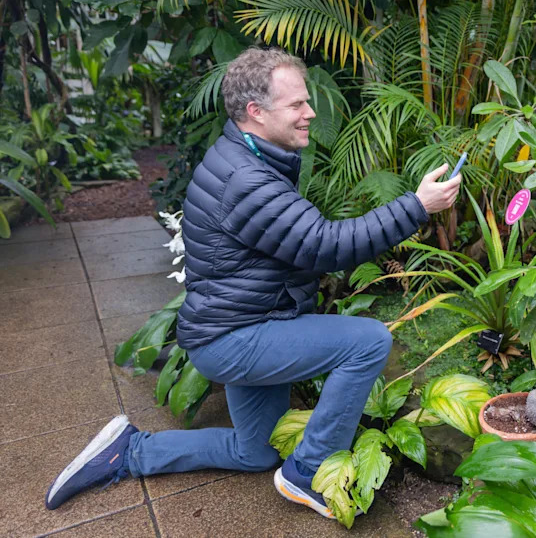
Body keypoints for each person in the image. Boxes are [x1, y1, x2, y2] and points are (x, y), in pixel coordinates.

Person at [45, 47, 461, 517]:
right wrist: (416, 207)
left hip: (242, 323)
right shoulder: (246, 180)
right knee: (366, 341)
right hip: (235, 337)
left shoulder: (248, 155)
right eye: (297, 105)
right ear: (255, 112)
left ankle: (130, 451)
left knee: (255, 451)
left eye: (307, 102)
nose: (310, 113)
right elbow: (323, 246)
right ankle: (308, 474)